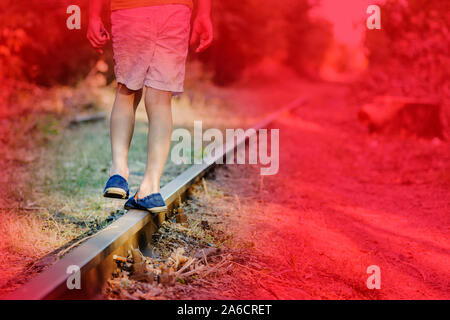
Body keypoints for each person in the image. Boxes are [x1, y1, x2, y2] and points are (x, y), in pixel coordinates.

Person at [87, 0, 213, 212]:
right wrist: (204, 14)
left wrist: (93, 16)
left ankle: (118, 172)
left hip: (130, 9)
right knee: (160, 99)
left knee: (126, 91)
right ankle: (150, 187)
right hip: (174, 10)